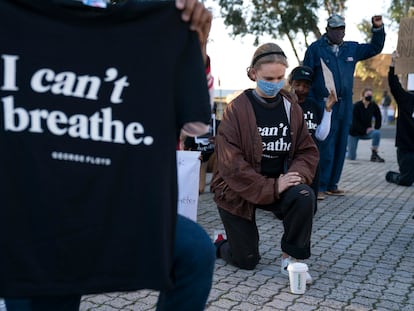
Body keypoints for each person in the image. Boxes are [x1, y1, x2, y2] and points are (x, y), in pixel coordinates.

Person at [0, 1, 215, 311]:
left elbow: (196, 126)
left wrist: (193, 45)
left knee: (195, 251)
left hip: (118, 205)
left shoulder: (143, 27)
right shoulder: (16, 22)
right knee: (41, 290)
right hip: (33, 214)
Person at [210, 43, 319, 284]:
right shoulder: (235, 110)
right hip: (237, 190)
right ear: (253, 74)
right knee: (246, 260)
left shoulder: (292, 108)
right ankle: (219, 244)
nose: (275, 83)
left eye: (281, 77)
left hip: (278, 183)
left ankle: (291, 258)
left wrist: (296, 175)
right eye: (269, 77)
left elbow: (307, 151)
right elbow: (231, 165)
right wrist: (272, 187)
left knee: (304, 195)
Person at [303, 13, 385, 196]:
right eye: (335, 29)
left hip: (345, 106)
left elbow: (374, 47)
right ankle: (320, 186)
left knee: (341, 145)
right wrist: (310, 105)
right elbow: (306, 78)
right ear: (328, 30)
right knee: (325, 146)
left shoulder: (351, 49)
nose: (339, 32)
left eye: (342, 29)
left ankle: (333, 184)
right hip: (324, 105)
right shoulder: (315, 49)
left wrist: (378, 28)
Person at [288, 66, 337, 201]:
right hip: (290, 158)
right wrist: (291, 105)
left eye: (306, 85)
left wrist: (328, 109)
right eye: (297, 84)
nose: (301, 89)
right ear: (290, 83)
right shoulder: (283, 104)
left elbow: (321, 135)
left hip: (310, 158)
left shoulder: (313, 105)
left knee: (310, 200)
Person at [385, 51, 414, 187]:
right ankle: (393, 175)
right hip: (406, 149)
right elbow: (394, 84)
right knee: (406, 181)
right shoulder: (406, 99)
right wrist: (393, 64)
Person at [347, 87, 385, 162]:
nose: (369, 96)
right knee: (351, 157)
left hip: (367, 132)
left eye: (371, 95)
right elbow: (354, 122)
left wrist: (376, 127)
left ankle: (374, 154)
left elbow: (378, 116)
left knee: (377, 133)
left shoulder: (373, 105)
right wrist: (364, 130)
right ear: (363, 95)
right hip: (354, 133)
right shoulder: (356, 106)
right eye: (368, 94)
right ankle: (345, 152)